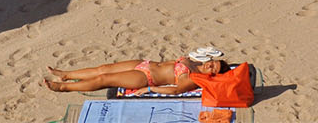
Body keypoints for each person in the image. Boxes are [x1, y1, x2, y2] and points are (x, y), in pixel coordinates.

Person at [44, 47, 228, 94]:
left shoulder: (194, 78)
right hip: (145, 64)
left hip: (145, 77)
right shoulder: (197, 62)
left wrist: (150, 89)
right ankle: (66, 74)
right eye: (214, 62)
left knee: (104, 78)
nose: (210, 65)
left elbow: (175, 89)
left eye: (213, 69)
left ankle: (63, 88)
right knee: (103, 68)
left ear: (212, 75)